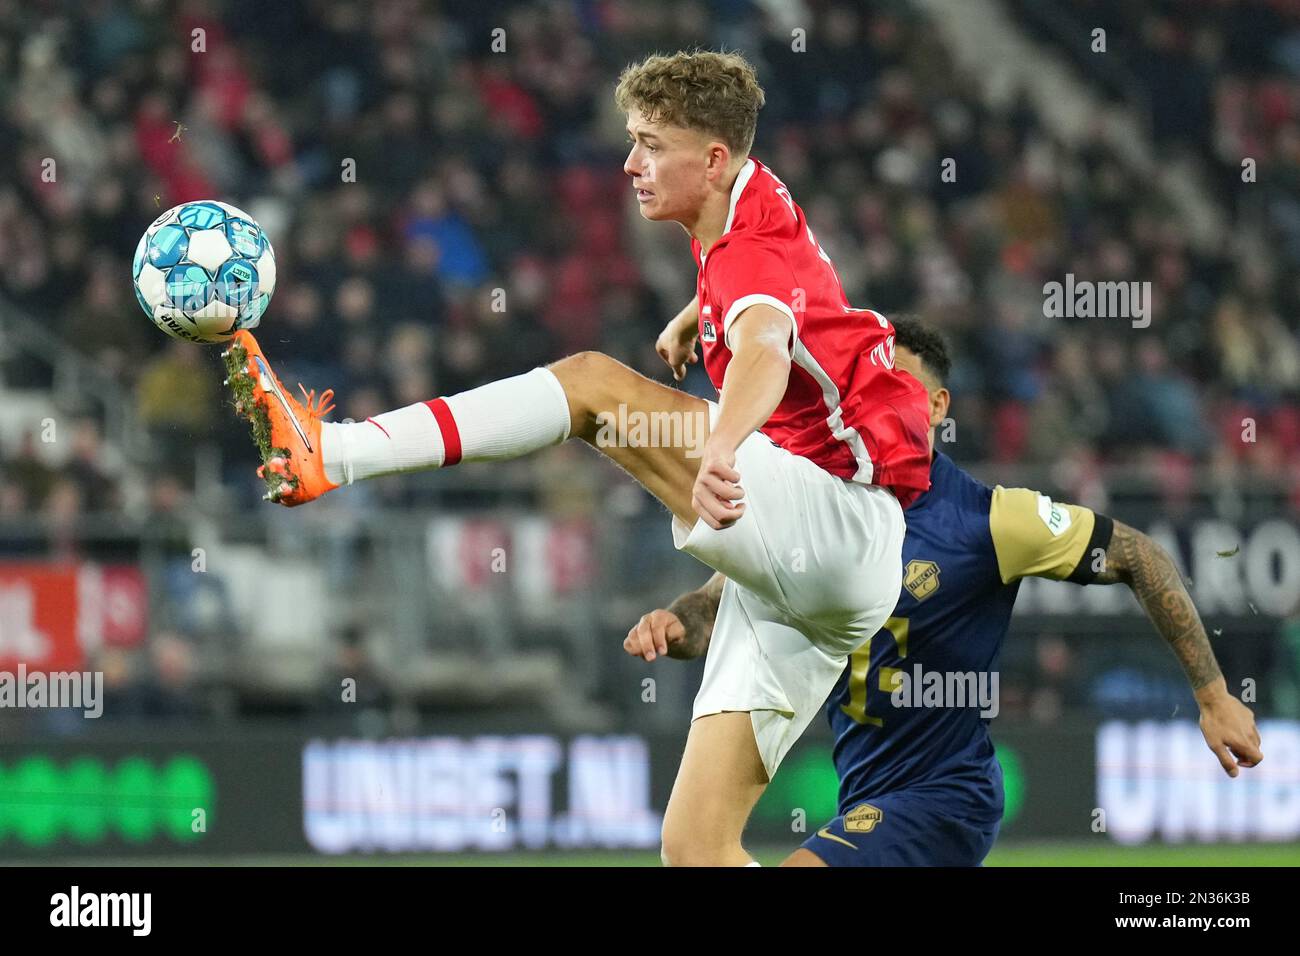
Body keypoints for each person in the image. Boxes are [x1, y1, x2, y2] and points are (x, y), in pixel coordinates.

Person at [220, 50, 931, 866]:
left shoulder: (746, 262)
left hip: (833, 521)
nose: (630, 164)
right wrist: (695, 312)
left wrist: (722, 444)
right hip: (828, 571)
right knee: (695, 849)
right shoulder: (748, 197)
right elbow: (766, 297)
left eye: (650, 144)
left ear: (713, 159)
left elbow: (767, 343)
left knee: (591, 387)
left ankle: (331, 454)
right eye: (632, 140)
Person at [624, 318, 1264, 866]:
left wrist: (1212, 696)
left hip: (944, 799)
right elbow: (720, 601)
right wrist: (679, 625)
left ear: (937, 407)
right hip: (865, 795)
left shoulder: (988, 520)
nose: (880, 403)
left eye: (899, 387)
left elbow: (1136, 554)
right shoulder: (825, 509)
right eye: (867, 387)